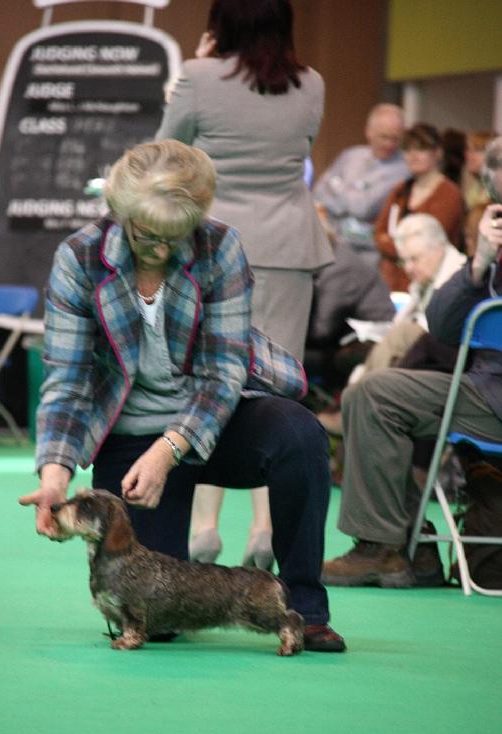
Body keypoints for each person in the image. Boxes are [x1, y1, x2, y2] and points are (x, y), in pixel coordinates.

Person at [18, 139, 345, 652]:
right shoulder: (79, 258)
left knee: (300, 434)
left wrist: (169, 449)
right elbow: (67, 379)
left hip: (218, 419)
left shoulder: (222, 246)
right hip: (127, 436)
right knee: (159, 621)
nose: (162, 250)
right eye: (148, 234)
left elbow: (223, 373)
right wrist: (55, 474)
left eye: (176, 236)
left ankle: (306, 607)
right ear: (120, 212)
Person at [156, 0, 334, 569]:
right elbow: (300, 148)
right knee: (276, 391)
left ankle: (203, 527)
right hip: (289, 249)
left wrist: (190, 74)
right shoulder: (312, 84)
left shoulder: (199, 75)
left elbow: (165, 155)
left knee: (208, 382)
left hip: (211, 246)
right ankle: (264, 530)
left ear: (220, 26)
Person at [321, 135, 502, 588]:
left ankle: (385, 547)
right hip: (483, 390)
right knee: (371, 395)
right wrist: (479, 265)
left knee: (376, 395)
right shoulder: (492, 249)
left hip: (491, 396)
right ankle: (410, 548)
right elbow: (441, 326)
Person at [317, 213, 467, 435]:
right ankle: (351, 410)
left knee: (400, 335)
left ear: (439, 248)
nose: (407, 268)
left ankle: (350, 411)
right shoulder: (425, 281)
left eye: (414, 259)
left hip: (446, 363)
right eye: (403, 260)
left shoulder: (460, 278)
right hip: (420, 360)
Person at [313, 103, 409, 272]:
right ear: (369, 132)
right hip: (335, 248)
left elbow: (363, 208)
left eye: (395, 138)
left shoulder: (403, 168)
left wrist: (338, 186)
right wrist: (354, 195)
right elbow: (319, 193)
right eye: (383, 136)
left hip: (370, 256)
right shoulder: (351, 156)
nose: (389, 144)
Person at [374, 123, 464, 292]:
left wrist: (392, 243)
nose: (413, 156)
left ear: (437, 153)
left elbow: (429, 244)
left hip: (431, 285)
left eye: (421, 149)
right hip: (392, 283)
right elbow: (379, 233)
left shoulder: (449, 194)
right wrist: (406, 248)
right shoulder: (400, 189)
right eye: (408, 150)